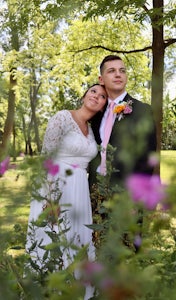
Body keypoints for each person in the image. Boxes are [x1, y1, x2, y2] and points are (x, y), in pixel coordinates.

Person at [25, 84, 107, 299]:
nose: (96, 97)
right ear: (84, 95)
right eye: (93, 92)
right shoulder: (62, 117)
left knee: (77, 240)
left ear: (103, 106)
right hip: (56, 185)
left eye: (102, 96)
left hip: (79, 189)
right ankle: (49, 290)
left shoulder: (91, 132)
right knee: (53, 238)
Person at [89, 55, 157, 186]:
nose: (118, 74)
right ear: (101, 79)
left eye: (122, 71)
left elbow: (147, 157)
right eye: (111, 71)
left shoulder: (142, 110)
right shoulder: (96, 114)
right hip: (94, 191)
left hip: (125, 195)